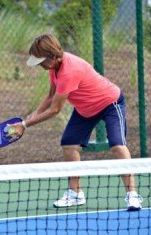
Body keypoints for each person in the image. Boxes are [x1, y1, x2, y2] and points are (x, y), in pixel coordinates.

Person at [10, 34, 143, 211]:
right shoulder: (53, 68)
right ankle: (75, 193)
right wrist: (28, 119)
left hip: (110, 103)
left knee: (117, 145)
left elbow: (55, 109)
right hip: (85, 109)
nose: (40, 64)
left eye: (41, 60)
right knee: (69, 144)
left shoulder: (69, 71)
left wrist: (25, 125)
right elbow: (50, 96)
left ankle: (132, 195)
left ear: (54, 56)